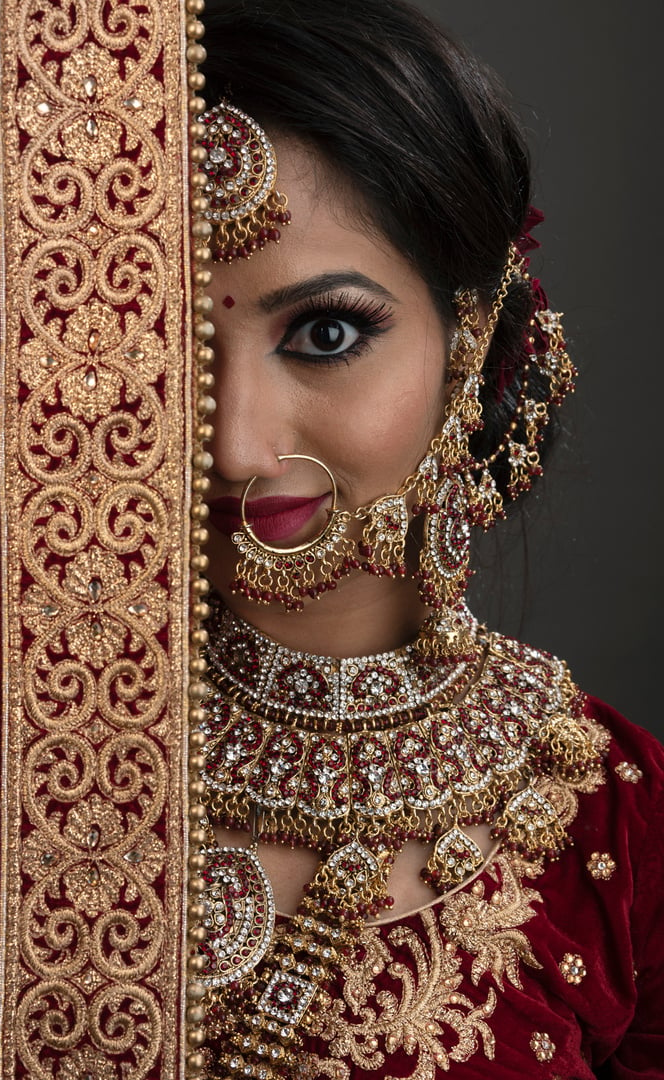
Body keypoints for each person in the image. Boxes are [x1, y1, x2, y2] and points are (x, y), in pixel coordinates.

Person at [193, 1, 664, 1078]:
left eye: (325, 333)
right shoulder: (11, 737)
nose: (235, 444)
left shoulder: (619, 826)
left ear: (473, 335)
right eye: (175, 348)